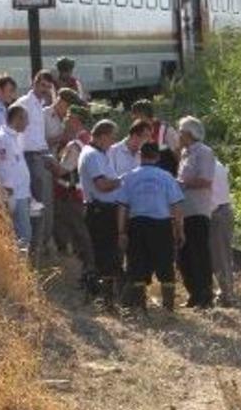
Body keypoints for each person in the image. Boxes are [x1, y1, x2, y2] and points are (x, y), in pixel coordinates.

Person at [116, 142, 186, 311]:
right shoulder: (167, 177)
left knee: (137, 265)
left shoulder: (129, 177)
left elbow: (122, 207)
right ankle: (168, 309)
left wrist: (121, 232)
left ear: (141, 156)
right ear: (158, 157)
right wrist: (180, 230)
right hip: (161, 225)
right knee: (165, 266)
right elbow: (176, 207)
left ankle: (140, 308)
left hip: (137, 225)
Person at [79, 119, 123, 307]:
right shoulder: (92, 156)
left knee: (107, 254)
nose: (113, 142)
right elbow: (102, 185)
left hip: (106, 210)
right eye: (111, 138)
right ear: (103, 136)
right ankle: (103, 299)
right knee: (105, 255)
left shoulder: (101, 154)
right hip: (100, 210)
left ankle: (103, 297)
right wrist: (121, 181)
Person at [176, 116, 216, 308]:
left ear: (189, 133)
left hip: (198, 210)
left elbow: (206, 180)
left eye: (181, 131)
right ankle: (193, 293)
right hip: (183, 211)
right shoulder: (184, 153)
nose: (178, 135)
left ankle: (205, 295)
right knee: (184, 255)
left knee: (199, 252)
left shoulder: (204, 152)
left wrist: (181, 184)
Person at [53, 107, 95, 286]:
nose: (65, 119)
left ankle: (88, 272)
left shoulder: (75, 145)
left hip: (71, 197)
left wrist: (47, 160)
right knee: (83, 234)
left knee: (79, 235)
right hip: (85, 194)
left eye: (69, 117)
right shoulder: (90, 140)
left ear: (76, 120)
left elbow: (62, 169)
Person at [17, 71, 58, 253]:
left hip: (42, 155)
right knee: (39, 202)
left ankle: (43, 241)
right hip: (31, 156)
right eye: (42, 86)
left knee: (46, 201)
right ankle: (36, 243)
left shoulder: (40, 104)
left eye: (48, 87)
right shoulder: (24, 104)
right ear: (34, 84)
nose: (45, 90)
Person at [0, 104, 32, 249]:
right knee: (22, 236)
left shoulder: (14, 137)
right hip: (13, 195)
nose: (28, 123)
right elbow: (4, 168)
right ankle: (19, 269)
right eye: (26, 119)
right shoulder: (3, 139)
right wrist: (9, 198)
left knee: (24, 236)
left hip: (21, 193)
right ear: (18, 119)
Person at [209, 158, 237, 307]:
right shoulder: (213, 162)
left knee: (220, 257)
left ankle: (227, 296)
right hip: (219, 211)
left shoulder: (207, 164)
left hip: (217, 213)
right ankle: (223, 294)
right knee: (219, 257)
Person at [131, 99, 180, 173]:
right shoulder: (136, 131)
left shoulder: (165, 130)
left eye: (135, 115)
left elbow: (177, 155)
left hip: (165, 176)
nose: (132, 118)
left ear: (142, 114)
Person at [44, 87, 82, 154]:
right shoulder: (44, 115)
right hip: (47, 159)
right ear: (60, 101)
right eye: (68, 106)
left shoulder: (68, 118)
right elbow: (37, 144)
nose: (69, 110)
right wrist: (60, 139)